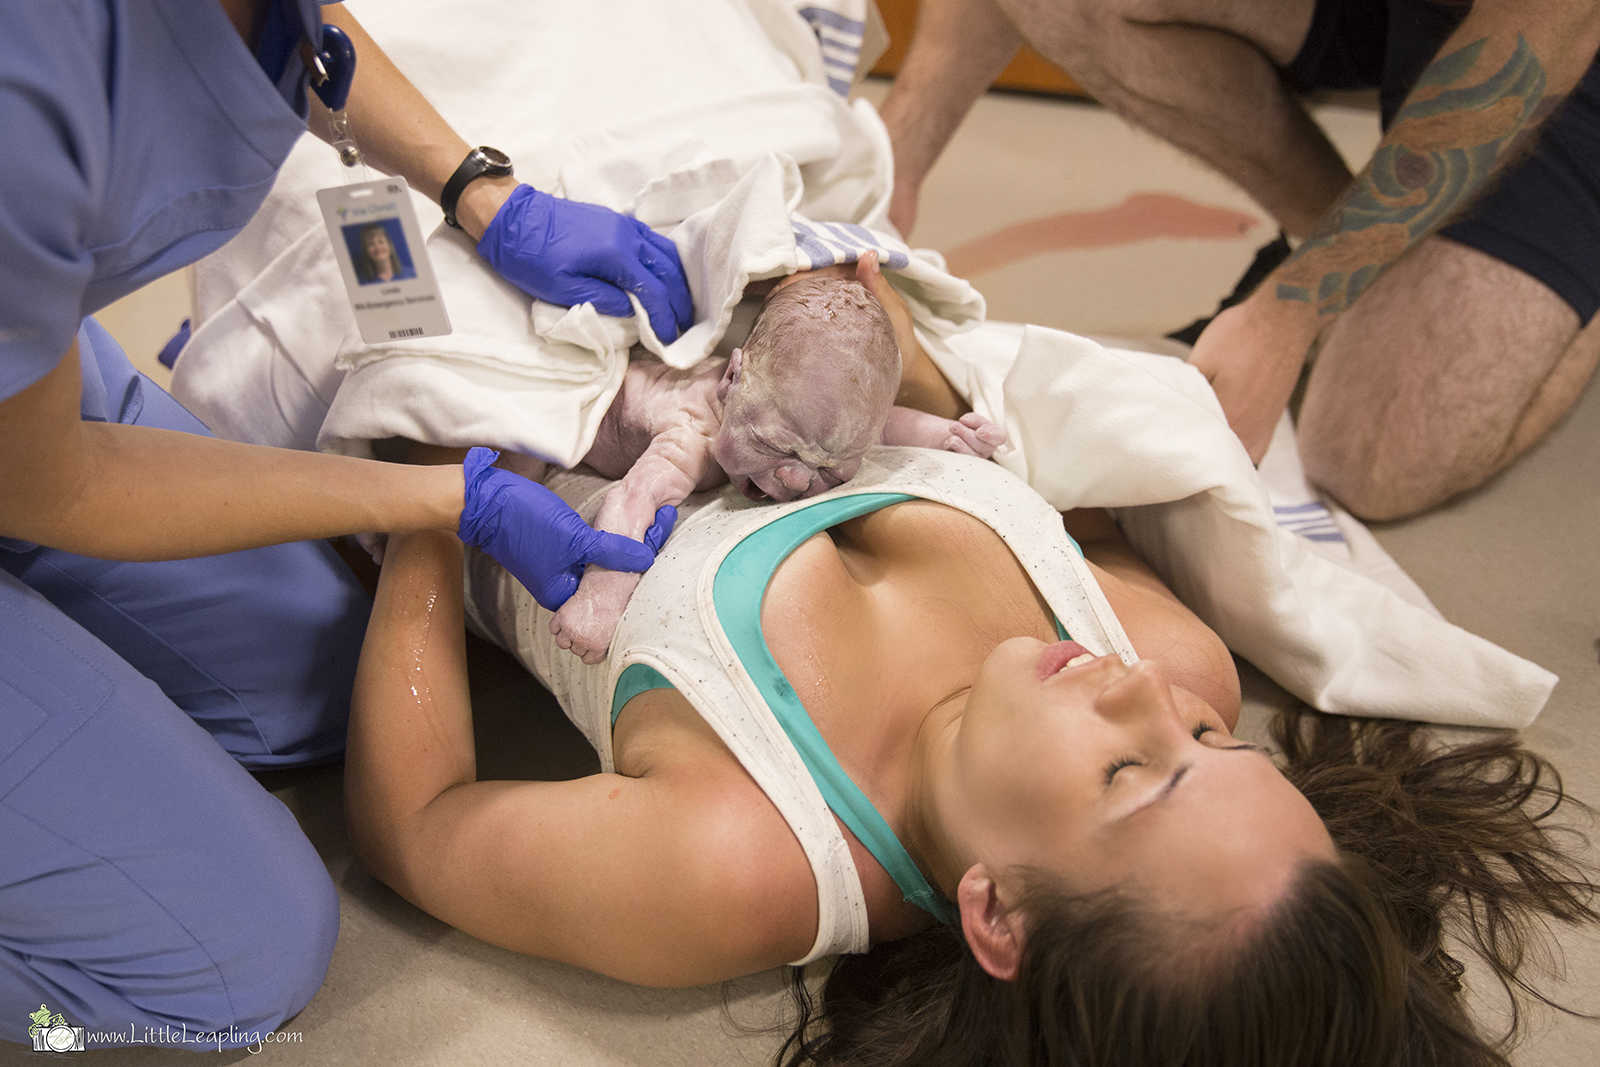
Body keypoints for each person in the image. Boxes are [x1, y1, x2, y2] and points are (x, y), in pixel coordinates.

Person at [348, 440, 1598, 1066]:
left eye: (1129, 770)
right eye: (1217, 740)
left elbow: (416, 823)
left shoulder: (742, 858)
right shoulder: (1166, 657)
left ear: (995, 910)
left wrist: (424, 497)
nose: (1143, 691)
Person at [0, 0, 687, 1050]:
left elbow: (296, 31)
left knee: (324, 682)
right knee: (230, 965)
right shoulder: (25, 87)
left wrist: (478, 191)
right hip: (33, 454)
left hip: (22, 394)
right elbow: (56, 487)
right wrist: (440, 498)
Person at [879, 0, 1600, 520]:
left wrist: (1298, 305)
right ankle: (1370, 264)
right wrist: (893, 165)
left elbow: (1546, 28)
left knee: (1367, 455)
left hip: (1558, 27)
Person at [546, 252, 1005, 663]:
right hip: (591, 386)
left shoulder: (781, 407)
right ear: (731, 378)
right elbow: (630, 501)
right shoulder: (690, 434)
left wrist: (946, 434)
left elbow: (879, 427)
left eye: (830, 467)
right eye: (773, 446)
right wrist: (601, 600)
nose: (797, 480)